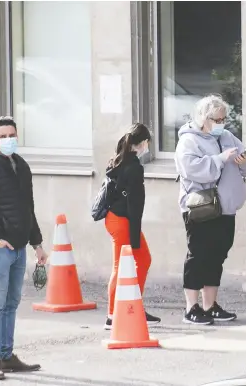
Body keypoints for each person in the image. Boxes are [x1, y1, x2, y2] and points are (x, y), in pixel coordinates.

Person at [175, 94, 246, 325]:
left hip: (226, 208)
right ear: (204, 118)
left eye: (223, 118)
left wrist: (244, 161)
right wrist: (220, 159)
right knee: (198, 255)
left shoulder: (228, 136)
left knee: (217, 255)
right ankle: (191, 307)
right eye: (217, 119)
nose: (221, 123)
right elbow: (192, 170)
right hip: (202, 207)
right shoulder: (189, 141)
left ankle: (210, 305)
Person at [0, 116, 48, 380]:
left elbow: (28, 208)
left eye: (12, 135)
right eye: (3, 136)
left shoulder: (22, 166)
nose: (9, 140)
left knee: (11, 303)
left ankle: (8, 355)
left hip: (20, 246)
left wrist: (37, 244)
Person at [103, 123, 161, 330]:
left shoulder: (119, 160)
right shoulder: (134, 166)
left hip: (117, 219)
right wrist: (134, 239)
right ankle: (112, 314)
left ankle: (132, 304)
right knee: (122, 265)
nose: (148, 147)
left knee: (142, 260)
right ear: (142, 143)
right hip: (122, 221)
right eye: (147, 143)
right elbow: (135, 206)